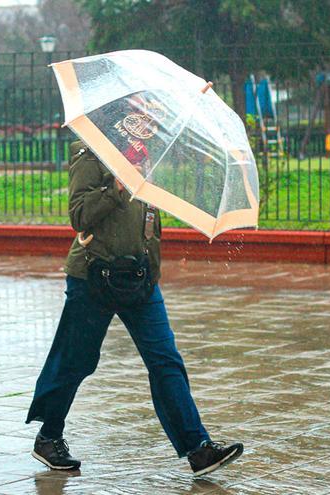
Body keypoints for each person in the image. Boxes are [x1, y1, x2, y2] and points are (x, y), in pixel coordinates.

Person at [25, 139, 243, 476]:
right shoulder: (90, 151)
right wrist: (117, 186)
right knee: (76, 360)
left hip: (140, 279)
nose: (145, 117)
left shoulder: (149, 155)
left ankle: (197, 448)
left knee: (165, 359)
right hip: (93, 276)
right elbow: (79, 215)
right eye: (139, 109)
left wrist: (152, 270)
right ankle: (49, 437)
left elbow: (148, 219)